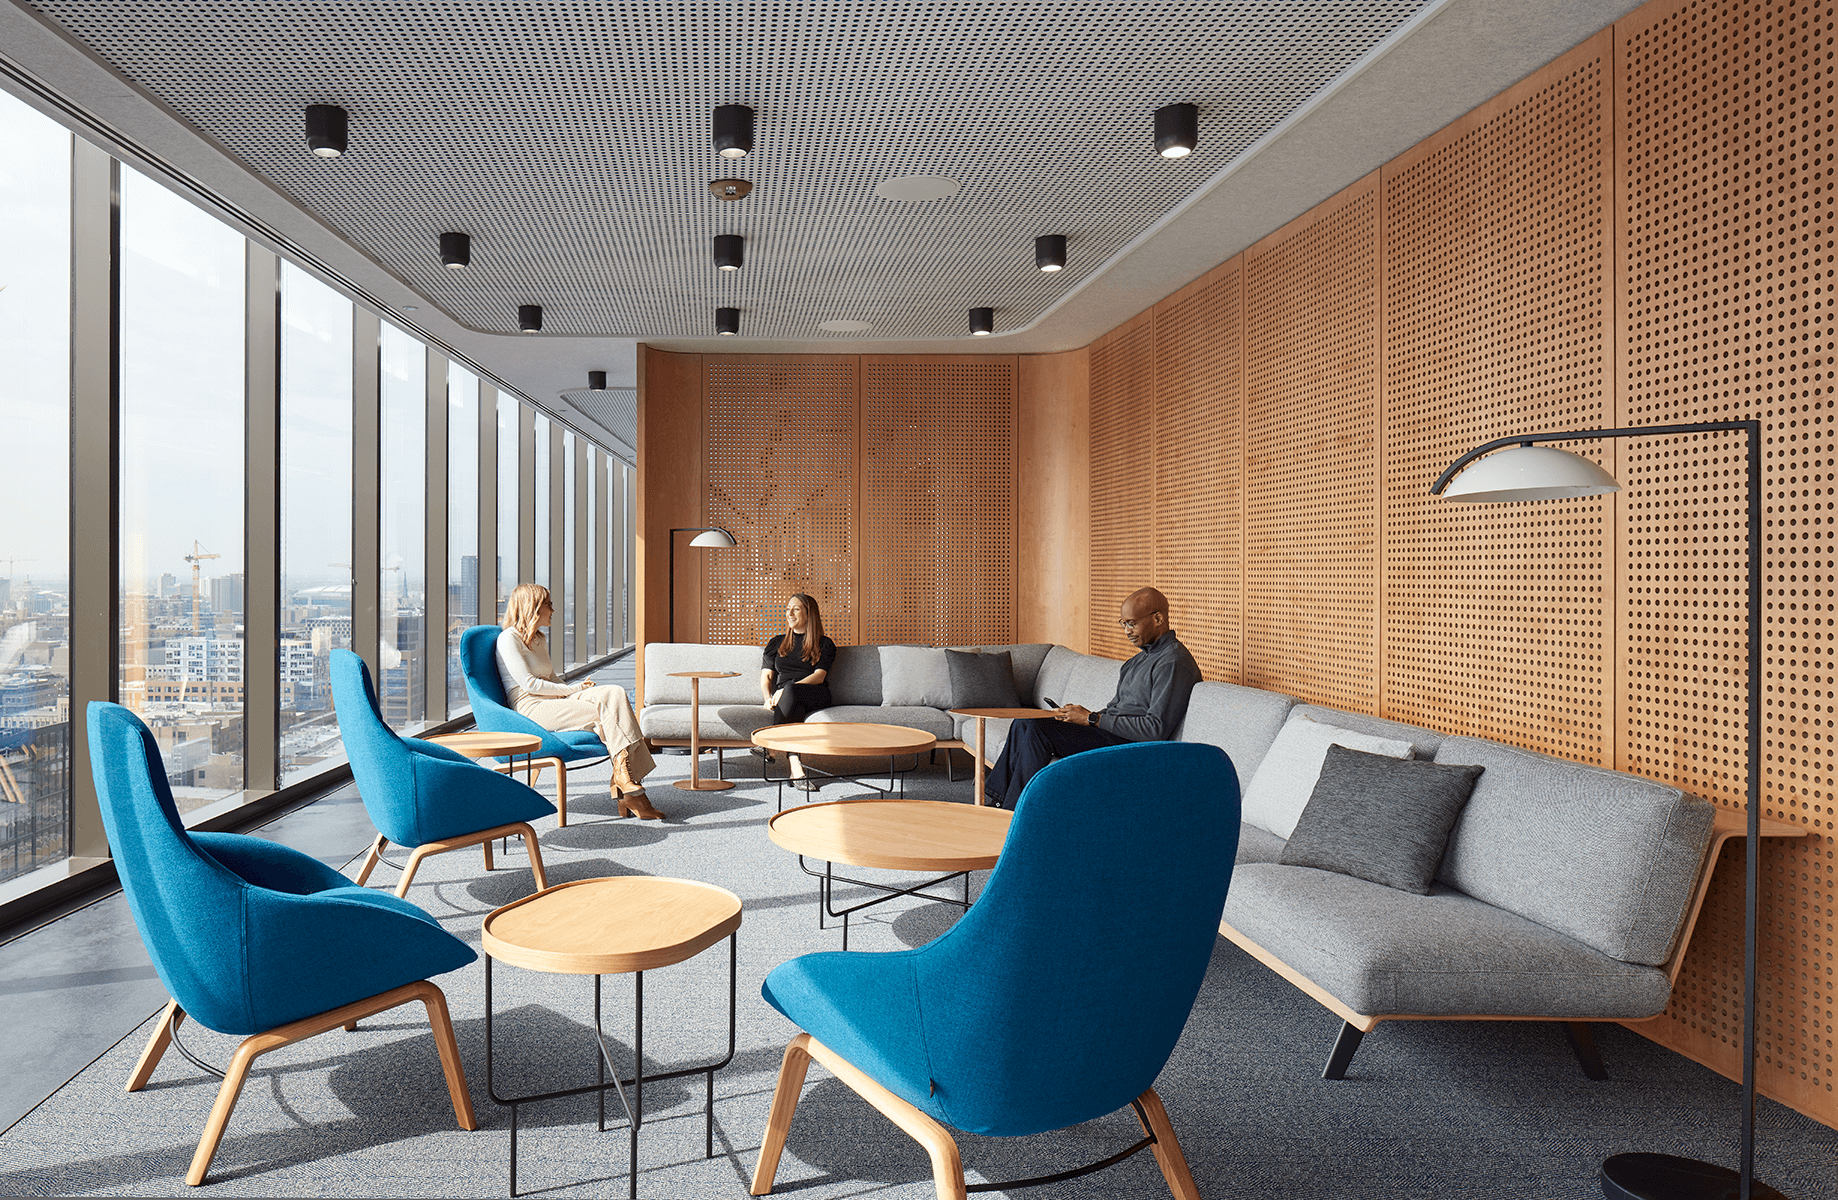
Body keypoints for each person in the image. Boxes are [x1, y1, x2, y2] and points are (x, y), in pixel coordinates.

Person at [984, 586, 1202, 809]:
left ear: (1158, 618)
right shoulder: (1138, 660)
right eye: (1123, 623)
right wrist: (1080, 716)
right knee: (1025, 722)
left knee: (1039, 731)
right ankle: (996, 802)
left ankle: (1011, 813)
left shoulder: (1173, 663)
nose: (1127, 631)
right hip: (1111, 734)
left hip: (1132, 748)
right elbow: (1118, 709)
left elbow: (1155, 730)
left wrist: (1092, 719)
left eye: (1132, 623)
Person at [496, 582, 663, 819]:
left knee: (613, 693)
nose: (553, 610)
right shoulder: (508, 639)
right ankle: (630, 789)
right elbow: (529, 685)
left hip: (553, 699)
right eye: (548, 605)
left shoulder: (539, 639)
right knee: (609, 714)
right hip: (531, 707)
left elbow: (551, 677)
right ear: (532, 607)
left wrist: (576, 689)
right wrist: (571, 691)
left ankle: (624, 778)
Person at [759, 593, 837, 791]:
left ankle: (771, 745)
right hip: (788, 699)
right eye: (787, 608)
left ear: (809, 614)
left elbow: (819, 676)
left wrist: (786, 689)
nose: (789, 613)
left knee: (792, 691)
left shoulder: (824, 643)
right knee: (793, 706)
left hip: (815, 694)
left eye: (796, 609)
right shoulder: (776, 643)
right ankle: (796, 769)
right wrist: (768, 698)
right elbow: (767, 676)